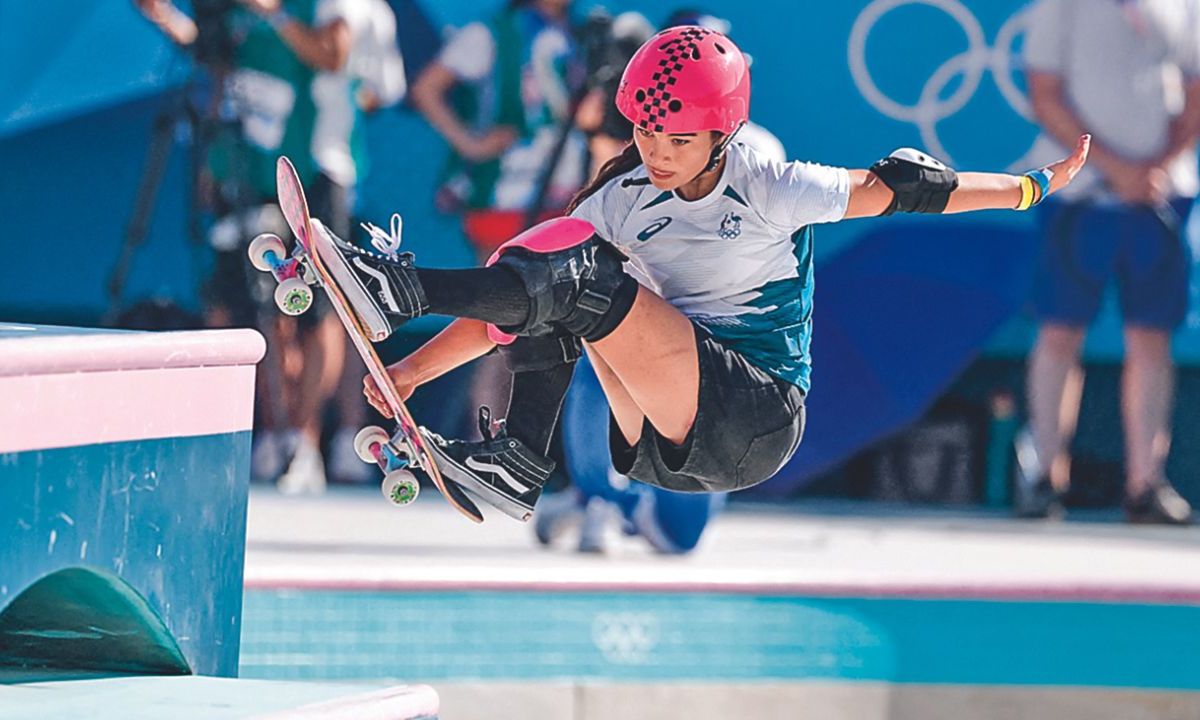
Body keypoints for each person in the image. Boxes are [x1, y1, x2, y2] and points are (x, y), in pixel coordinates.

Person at [334, 26, 1089, 521]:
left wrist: (1030, 185)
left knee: (582, 277)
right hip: (664, 441)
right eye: (644, 130)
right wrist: (411, 372)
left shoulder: (771, 183)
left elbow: (917, 191)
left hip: (757, 413)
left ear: (722, 133)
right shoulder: (623, 198)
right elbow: (514, 301)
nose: (658, 151)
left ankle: (399, 288)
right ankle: (517, 464)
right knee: (554, 258)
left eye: (679, 138)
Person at [1017, 0, 1200, 524]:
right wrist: (1115, 169)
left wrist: (1155, 168)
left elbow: (1193, 92)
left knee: (1151, 339)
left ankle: (1146, 485)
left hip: (1160, 197)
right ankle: (1044, 478)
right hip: (1080, 199)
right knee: (1059, 333)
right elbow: (1045, 94)